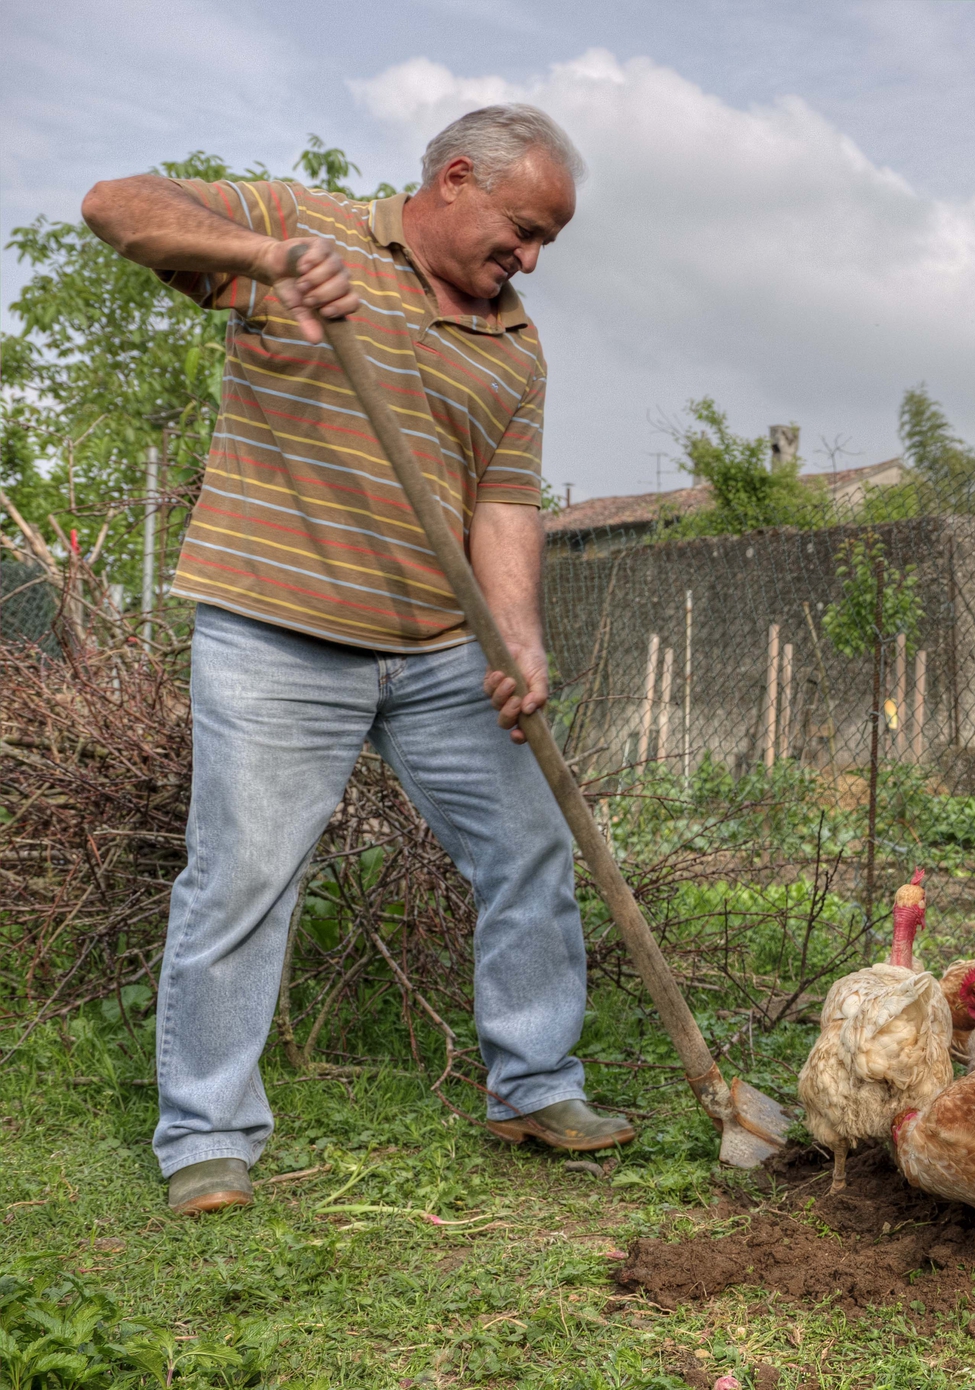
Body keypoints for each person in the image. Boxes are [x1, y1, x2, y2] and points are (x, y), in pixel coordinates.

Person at [82, 105, 636, 1216]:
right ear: (458, 179)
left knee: (531, 849)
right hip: (277, 628)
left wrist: (517, 638)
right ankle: (207, 1135)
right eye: (520, 231)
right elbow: (117, 206)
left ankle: (531, 1083)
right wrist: (267, 261)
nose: (526, 260)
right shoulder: (306, 226)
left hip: (438, 648)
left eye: (543, 247)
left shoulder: (515, 341)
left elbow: (506, 502)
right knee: (242, 876)